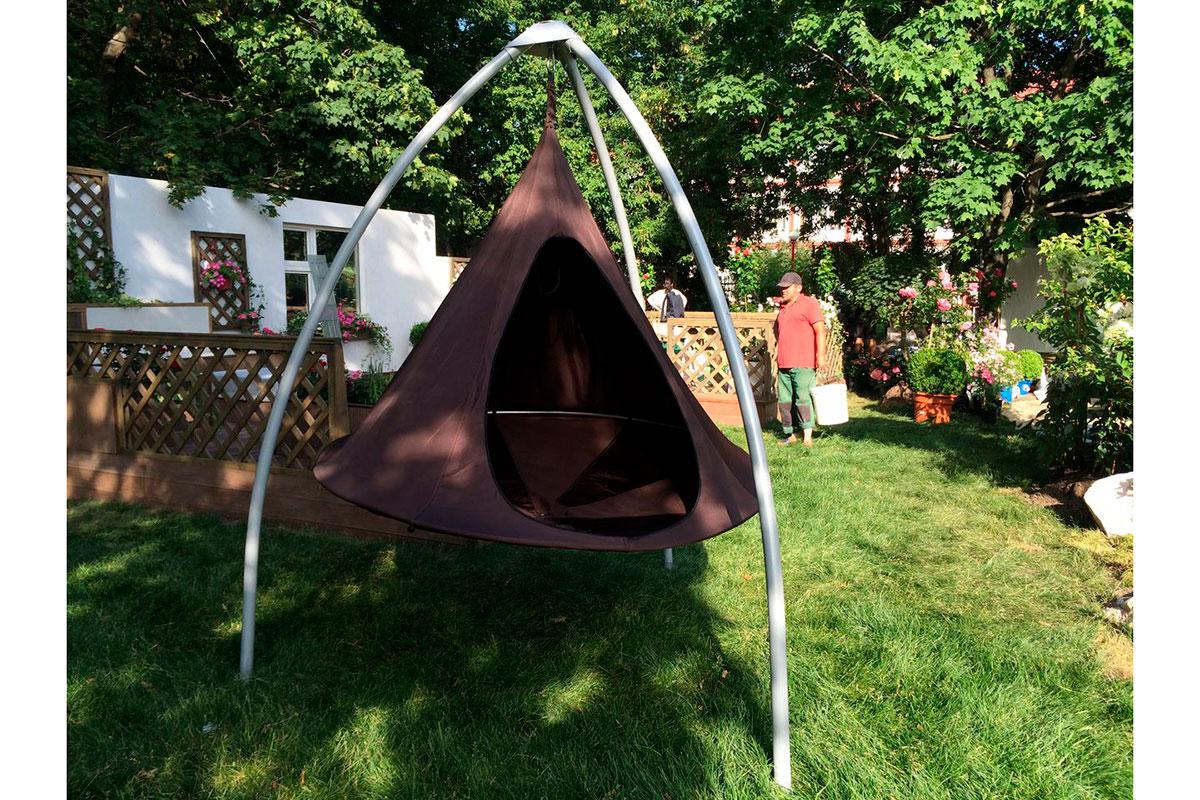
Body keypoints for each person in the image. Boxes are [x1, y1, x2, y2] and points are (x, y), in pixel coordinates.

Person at [773, 271, 827, 447]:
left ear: (798, 287)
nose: (783, 290)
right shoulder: (783, 308)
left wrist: (821, 356)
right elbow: (778, 332)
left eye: (786, 287)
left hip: (803, 362)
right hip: (784, 362)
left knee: (802, 399)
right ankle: (790, 434)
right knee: (785, 401)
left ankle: (807, 436)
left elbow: (820, 331)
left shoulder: (809, 304)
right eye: (781, 287)